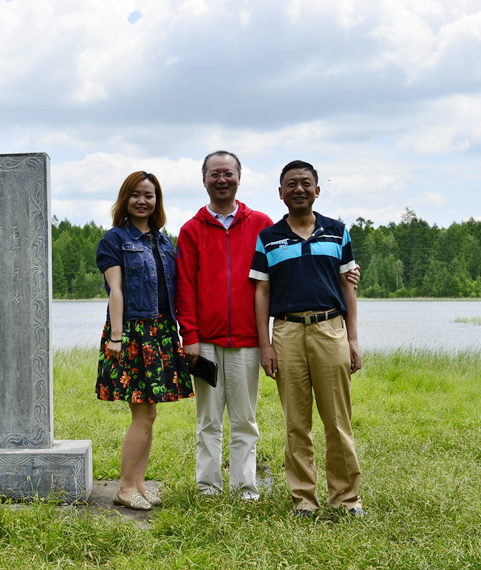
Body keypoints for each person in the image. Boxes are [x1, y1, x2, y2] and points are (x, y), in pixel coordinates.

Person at [250, 159, 364, 518]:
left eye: (305, 183)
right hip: (286, 332)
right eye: (291, 184)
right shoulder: (268, 237)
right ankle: (304, 500)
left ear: (317, 190)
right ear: (281, 193)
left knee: (337, 421)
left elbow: (349, 286)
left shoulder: (337, 231)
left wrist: (353, 339)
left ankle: (347, 499)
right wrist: (265, 344)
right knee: (296, 423)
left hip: (330, 330)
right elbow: (261, 293)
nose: (298, 189)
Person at [175, 151, 274, 500]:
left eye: (228, 173)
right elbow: (184, 287)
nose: (222, 179)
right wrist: (190, 336)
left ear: (239, 178)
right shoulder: (191, 230)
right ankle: (208, 487)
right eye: (214, 174)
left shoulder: (262, 223)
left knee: (245, 421)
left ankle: (245, 488)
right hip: (205, 343)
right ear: (203, 180)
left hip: (247, 341)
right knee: (209, 420)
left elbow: (277, 275)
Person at [96, 170, 195, 511]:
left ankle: (139, 483)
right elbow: (116, 291)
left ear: (157, 201)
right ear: (126, 198)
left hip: (161, 332)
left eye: (149, 195)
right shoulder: (115, 239)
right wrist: (117, 336)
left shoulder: (164, 241)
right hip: (134, 333)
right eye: (136, 194)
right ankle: (125, 487)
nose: (143, 200)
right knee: (141, 414)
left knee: (149, 414)